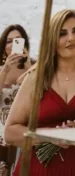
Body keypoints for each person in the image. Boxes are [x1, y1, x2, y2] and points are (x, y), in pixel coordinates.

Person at [5, 9, 75, 175]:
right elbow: (10, 132)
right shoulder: (36, 78)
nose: (71, 38)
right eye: (62, 33)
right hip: (37, 169)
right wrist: (49, 136)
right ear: (52, 41)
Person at [0, 25, 31, 175]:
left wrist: (29, 68)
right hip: (1, 132)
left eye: (17, 40)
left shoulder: (33, 67)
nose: (13, 45)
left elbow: (39, 97)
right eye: (9, 41)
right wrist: (5, 70)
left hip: (23, 131)